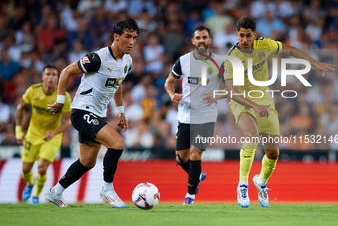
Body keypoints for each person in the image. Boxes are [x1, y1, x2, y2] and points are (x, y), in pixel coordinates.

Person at [223, 17, 335, 208]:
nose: (244, 39)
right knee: (251, 136)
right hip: (242, 102)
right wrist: (254, 105)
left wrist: (313, 63)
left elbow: (290, 50)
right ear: (237, 35)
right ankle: (242, 185)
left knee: (273, 153)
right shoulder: (231, 58)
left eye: (248, 35)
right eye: (241, 35)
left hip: (264, 101)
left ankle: (261, 182)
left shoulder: (264, 44)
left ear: (254, 35)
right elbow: (231, 92)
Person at [45, 18, 145, 208]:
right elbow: (66, 72)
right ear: (116, 36)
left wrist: (121, 111)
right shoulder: (97, 58)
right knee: (117, 144)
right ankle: (107, 190)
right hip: (81, 111)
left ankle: (55, 192)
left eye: (134, 38)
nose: (132, 42)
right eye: (127, 37)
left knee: (87, 162)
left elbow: (117, 85)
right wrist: (59, 101)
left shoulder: (127, 61)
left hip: (96, 115)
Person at [164, 26, 224, 204]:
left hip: (206, 115)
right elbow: (169, 82)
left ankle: (190, 196)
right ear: (193, 41)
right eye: (198, 38)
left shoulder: (219, 62)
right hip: (186, 115)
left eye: (204, 37)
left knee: (195, 154)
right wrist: (171, 94)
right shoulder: (183, 61)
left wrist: (217, 95)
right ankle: (197, 175)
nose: (201, 41)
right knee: (181, 158)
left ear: (209, 40)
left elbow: (232, 88)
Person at [16, 64, 72, 204]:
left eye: (54, 75)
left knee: (41, 168)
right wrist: (18, 130)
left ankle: (36, 194)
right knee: (26, 170)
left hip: (52, 136)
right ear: (42, 77)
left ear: (58, 78)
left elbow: (69, 121)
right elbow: (20, 108)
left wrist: (54, 132)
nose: (51, 78)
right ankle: (30, 184)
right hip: (33, 135)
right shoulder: (33, 91)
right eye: (48, 74)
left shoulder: (63, 96)